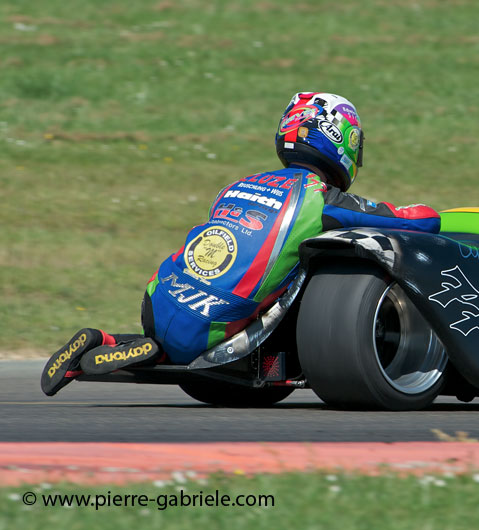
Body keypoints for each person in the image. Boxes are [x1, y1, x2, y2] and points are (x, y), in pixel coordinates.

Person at [41, 92, 441, 396]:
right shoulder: (322, 200)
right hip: (217, 324)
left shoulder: (237, 185)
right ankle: (174, 348)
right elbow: (418, 221)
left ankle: (109, 342)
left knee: (193, 320)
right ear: (342, 142)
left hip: (157, 297)